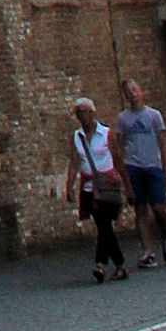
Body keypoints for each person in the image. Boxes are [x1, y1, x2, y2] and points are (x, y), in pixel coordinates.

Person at [65, 95, 129, 281]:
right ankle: (109, 264)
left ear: (92, 113)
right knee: (103, 225)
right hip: (89, 188)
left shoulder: (106, 133)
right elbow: (74, 162)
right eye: (79, 113)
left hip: (108, 186)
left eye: (85, 112)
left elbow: (117, 159)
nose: (82, 116)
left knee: (104, 225)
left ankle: (109, 264)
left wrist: (127, 184)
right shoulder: (78, 137)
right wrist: (69, 186)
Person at [114, 79, 166, 269]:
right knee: (140, 208)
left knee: (158, 208)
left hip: (153, 165)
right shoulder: (123, 119)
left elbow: (164, 144)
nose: (132, 93)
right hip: (134, 166)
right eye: (128, 91)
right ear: (125, 96)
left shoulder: (154, 116)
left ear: (140, 91)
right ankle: (147, 252)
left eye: (134, 89)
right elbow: (119, 145)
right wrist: (119, 169)